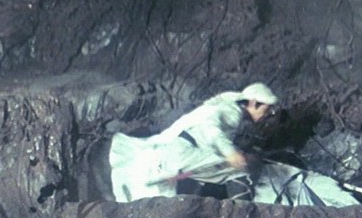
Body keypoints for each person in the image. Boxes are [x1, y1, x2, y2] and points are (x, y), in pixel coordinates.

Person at [109, 82, 278, 202]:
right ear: (254, 103)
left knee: (221, 171)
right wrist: (231, 154)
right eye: (267, 109)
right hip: (186, 153)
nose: (267, 114)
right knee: (241, 170)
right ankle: (243, 216)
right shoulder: (233, 112)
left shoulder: (229, 107)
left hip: (182, 151)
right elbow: (211, 129)